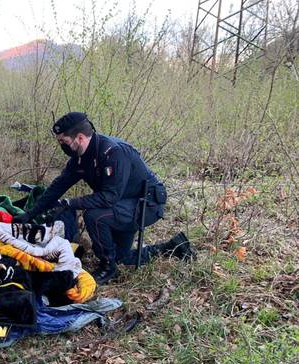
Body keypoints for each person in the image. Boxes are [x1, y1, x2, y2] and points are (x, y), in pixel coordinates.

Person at [13, 112, 195, 284]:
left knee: (94, 215)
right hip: (123, 204)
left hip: (147, 204)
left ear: (80, 138)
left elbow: (108, 198)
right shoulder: (80, 158)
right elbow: (58, 186)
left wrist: (70, 203)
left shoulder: (113, 153)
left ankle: (107, 267)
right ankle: (173, 247)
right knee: (121, 257)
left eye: (64, 141)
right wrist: (30, 214)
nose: (62, 146)